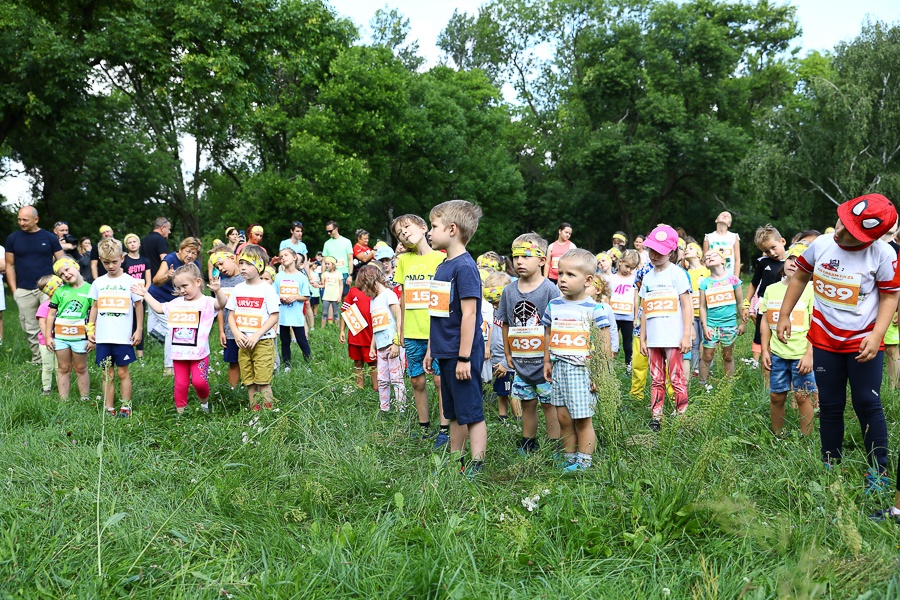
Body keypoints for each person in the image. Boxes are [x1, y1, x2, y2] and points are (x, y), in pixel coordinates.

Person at [777, 194, 898, 496]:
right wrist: (784, 314)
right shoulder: (821, 244)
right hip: (825, 341)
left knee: (867, 404)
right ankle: (831, 463)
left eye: (853, 233)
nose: (842, 234)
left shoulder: (883, 254)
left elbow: (890, 296)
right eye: (842, 224)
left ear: (873, 238)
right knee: (830, 406)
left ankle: (878, 470)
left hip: (863, 344)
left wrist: (877, 334)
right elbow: (800, 277)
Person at [425, 200, 486, 477]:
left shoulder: (465, 267)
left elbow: (470, 314)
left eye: (433, 226)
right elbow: (437, 313)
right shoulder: (442, 267)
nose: (429, 232)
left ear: (452, 229)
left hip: (462, 353)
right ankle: (455, 460)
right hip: (444, 351)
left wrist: (463, 357)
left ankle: (476, 463)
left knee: (470, 410)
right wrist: (430, 350)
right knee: (452, 412)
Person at [542, 249, 612, 472]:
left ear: (588, 280)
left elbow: (603, 345)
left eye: (570, 275)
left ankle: (584, 462)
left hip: (582, 371)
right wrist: (547, 361)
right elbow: (547, 333)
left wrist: (600, 375)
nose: (562, 278)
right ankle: (569, 456)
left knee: (582, 419)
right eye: (560, 273)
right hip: (560, 367)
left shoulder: (595, 309)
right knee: (563, 417)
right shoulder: (554, 305)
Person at [134, 263, 227, 414]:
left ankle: (204, 405)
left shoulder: (207, 302)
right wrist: (145, 294)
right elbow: (158, 308)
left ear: (197, 282)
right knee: (181, 384)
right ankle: (180, 415)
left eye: (184, 286)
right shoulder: (176, 303)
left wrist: (218, 291)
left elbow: (221, 303)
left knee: (199, 382)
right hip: (178, 353)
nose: (181, 291)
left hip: (199, 354)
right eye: (178, 287)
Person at [499, 233, 561, 454]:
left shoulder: (550, 290)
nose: (519, 262)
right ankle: (528, 443)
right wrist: (507, 354)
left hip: (545, 364)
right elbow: (505, 323)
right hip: (520, 363)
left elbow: (555, 325)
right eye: (516, 257)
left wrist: (551, 357)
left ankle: (555, 445)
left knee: (549, 405)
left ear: (542, 260)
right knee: (527, 404)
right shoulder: (508, 291)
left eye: (526, 256)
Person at [392, 213, 448, 446]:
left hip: (436, 330)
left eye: (407, 227)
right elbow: (403, 299)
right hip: (412, 332)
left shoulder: (441, 258)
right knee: (417, 381)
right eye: (398, 232)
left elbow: (444, 299)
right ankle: (423, 427)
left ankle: (445, 428)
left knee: (438, 380)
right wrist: (400, 332)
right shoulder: (404, 261)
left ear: (424, 227)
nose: (404, 232)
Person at [639, 225, 692, 431]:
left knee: (677, 378)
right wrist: (643, 337)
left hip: (673, 338)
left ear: (671, 252)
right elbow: (645, 309)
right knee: (656, 379)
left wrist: (686, 334)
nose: (654, 255)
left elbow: (687, 305)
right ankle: (656, 416)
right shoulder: (648, 277)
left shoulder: (677, 274)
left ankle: (682, 415)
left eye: (659, 252)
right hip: (654, 339)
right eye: (651, 250)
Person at [759, 243, 815, 436]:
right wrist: (765, 350)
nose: (794, 263)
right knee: (776, 396)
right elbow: (765, 322)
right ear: (784, 261)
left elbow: (815, 324)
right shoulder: (771, 290)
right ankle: (777, 436)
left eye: (801, 261)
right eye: (791, 258)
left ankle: (805, 439)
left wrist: (809, 354)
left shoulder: (810, 290)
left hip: (801, 355)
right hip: (777, 354)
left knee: (802, 396)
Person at [87, 238, 143, 417]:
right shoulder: (98, 283)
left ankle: (125, 407)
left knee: (122, 372)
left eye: (114, 261)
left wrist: (139, 329)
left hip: (123, 337)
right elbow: (94, 307)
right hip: (103, 337)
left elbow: (138, 306)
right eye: (106, 262)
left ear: (122, 258)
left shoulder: (130, 281)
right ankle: (108, 408)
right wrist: (90, 329)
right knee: (106, 374)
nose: (110, 266)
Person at [5, 205, 65, 363]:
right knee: (30, 327)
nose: (21, 223)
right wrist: (15, 291)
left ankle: (57, 358)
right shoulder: (13, 239)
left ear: (36, 219)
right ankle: (38, 360)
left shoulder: (49, 237)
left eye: (25, 219)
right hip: (24, 290)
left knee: (50, 323)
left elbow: (62, 261)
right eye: (19, 219)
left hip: (48, 290)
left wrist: (63, 286)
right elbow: (9, 266)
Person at [226, 246, 281, 410]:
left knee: (263, 381)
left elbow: (274, 316)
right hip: (243, 343)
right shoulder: (237, 289)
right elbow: (231, 315)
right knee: (249, 381)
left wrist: (257, 335)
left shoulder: (267, 289)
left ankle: (268, 412)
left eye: (248, 264)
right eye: (241, 262)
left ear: (260, 266)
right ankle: (255, 412)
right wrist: (236, 333)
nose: (243, 267)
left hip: (262, 342)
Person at [148, 238, 202, 375]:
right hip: (157, 298)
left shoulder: (194, 265)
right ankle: (169, 367)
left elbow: (197, 285)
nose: (190, 255)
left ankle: (169, 365)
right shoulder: (170, 258)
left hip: (175, 302)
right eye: (188, 251)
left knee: (169, 329)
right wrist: (168, 275)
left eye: (194, 253)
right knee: (169, 329)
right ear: (181, 249)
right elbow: (156, 280)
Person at [357, 263, 405, 412]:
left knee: (397, 380)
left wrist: (397, 343)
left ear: (371, 281)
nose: (364, 293)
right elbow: (376, 327)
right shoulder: (373, 301)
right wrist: (372, 347)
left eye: (364, 288)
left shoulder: (389, 295)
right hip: (381, 348)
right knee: (382, 380)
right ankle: (385, 409)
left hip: (393, 346)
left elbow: (399, 318)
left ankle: (400, 411)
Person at [698, 249, 745, 391]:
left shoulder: (734, 281)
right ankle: (701, 385)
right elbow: (702, 307)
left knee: (728, 355)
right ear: (705, 264)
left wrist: (743, 322)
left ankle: (728, 386)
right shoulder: (704, 283)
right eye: (706, 257)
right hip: (711, 325)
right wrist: (705, 327)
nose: (709, 257)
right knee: (707, 355)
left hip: (729, 325)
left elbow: (740, 302)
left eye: (714, 255)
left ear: (723, 260)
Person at [46, 257, 93, 401]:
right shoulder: (60, 292)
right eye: (61, 274)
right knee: (63, 368)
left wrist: (93, 336)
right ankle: (63, 401)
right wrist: (48, 336)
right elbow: (51, 315)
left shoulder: (91, 289)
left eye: (67, 269)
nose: (65, 274)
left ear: (76, 267)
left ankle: (84, 399)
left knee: (80, 368)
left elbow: (95, 315)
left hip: (80, 337)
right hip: (61, 337)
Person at [742, 225, 787, 370]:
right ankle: (758, 363)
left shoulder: (792, 263)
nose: (771, 253)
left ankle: (780, 360)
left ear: (783, 241)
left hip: (784, 304)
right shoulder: (763, 262)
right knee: (761, 333)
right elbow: (753, 284)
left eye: (774, 247)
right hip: (765, 304)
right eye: (767, 251)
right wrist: (746, 303)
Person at [484, 271, 519, 422]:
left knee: (512, 392)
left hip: (509, 361)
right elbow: (493, 328)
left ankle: (519, 419)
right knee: (500, 391)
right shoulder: (495, 310)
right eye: (492, 303)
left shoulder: (512, 312)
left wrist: (507, 360)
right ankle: (502, 418)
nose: (495, 306)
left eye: (497, 303)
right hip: (496, 357)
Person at [210, 247, 243, 388]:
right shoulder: (221, 284)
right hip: (229, 332)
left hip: (247, 329)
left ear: (231, 258)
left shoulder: (245, 279)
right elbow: (221, 310)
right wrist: (222, 331)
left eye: (222, 263)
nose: (220, 268)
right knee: (233, 362)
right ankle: (233, 391)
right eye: (217, 266)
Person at [339, 268, 378, 391]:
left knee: (373, 362)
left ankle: (377, 388)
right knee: (357, 362)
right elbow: (345, 312)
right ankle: (359, 387)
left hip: (371, 335)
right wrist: (342, 331)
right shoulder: (352, 292)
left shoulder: (375, 293)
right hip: (355, 335)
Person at [275, 247, 312, 370]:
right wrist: (281, 298)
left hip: (296, 315)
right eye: (281, 257)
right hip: (283, 315)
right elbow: (274, 294)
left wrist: (295, 297)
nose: (283, 258)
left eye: (286, 255)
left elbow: (306, 296)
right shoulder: (278, 276)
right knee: (285, 341)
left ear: (294, 257)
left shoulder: (301, 277)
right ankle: (287, 364)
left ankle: (309, 364)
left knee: (301, 340)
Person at [609, 249, 640, 371]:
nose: (628, 270)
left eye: (632, 268)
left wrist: (636, 316)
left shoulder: (634, 279)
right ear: (620, 262)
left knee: (628, 344)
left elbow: (636, 298)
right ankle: (609, 368)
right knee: (612, 343)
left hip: (628, 316)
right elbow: (608, 296)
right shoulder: (611, 278)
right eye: (627, 266)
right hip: (613, 316)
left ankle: (629, 367)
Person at [123, 233, 151, 358]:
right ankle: (128, 350)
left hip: (141, 294)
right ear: (126, 246)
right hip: (128, 295)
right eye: (129, 242)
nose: (132, 244)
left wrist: (143, 294)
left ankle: (140, 354)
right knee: (128, 322)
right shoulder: (125, 261)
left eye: (134, 241)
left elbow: (149, 280)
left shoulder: (145, 260)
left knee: (139, 323)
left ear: (139, 244)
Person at [684, 242, 710, 376]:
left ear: (699, 254)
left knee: (707, 342)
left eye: (691, 248)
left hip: (706, 314)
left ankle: (707, 369)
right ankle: (695, 370)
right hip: (691, 314)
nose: (686, 250)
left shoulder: (706, 271)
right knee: (693, 343)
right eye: (685, 248)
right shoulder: (684, 273)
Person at [36, 275, 62, 395]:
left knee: (60, 367)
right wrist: (48, 338)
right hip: (46, 342)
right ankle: (47, 389)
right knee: (48, 366)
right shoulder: (45, 306)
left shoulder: (63, 304)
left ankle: (62, 388)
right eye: (60, 285)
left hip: (61, 340)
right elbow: (42, 324)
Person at [703, 211, 741, 276]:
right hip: (712, 276)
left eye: (728, 216)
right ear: (716, 220)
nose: (725, 216)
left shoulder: (734, 237)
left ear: (729, 224)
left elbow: (737, 260)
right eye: (722, 214)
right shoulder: (708, 237)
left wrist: (736, 278)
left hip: (729, 275)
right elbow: (704, 259)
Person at [323, 221, 354, 296]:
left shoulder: (347, 242)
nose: (329, 233)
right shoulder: (327, 243)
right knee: (331, 298)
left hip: (344, 273)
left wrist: (350, 275)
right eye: (327, 231)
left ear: (336, 229)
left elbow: (350, 260)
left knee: (345, 298)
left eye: (330, 231)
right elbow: (324, 261)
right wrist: (323, 275)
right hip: (331, 274)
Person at [140, 217, 171, 282]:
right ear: (162, 228)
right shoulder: (160, 240)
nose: (169, 232)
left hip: (145, 278)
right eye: (168, 229)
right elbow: (165, 260)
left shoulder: (144, 240)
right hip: (157, 280)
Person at [320, 257, 342, 326]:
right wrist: (317, 286)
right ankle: (322, 327)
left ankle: (337, 326)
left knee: (336, 313)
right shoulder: (324, 274)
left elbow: (341, 285)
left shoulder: (338, 274)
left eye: (328, 264)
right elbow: (323, 285)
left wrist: (339, 296)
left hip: (335, 296)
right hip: (326, 296)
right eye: (326, 264)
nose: (326, 265)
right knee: (324, 313)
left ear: (333, 264)